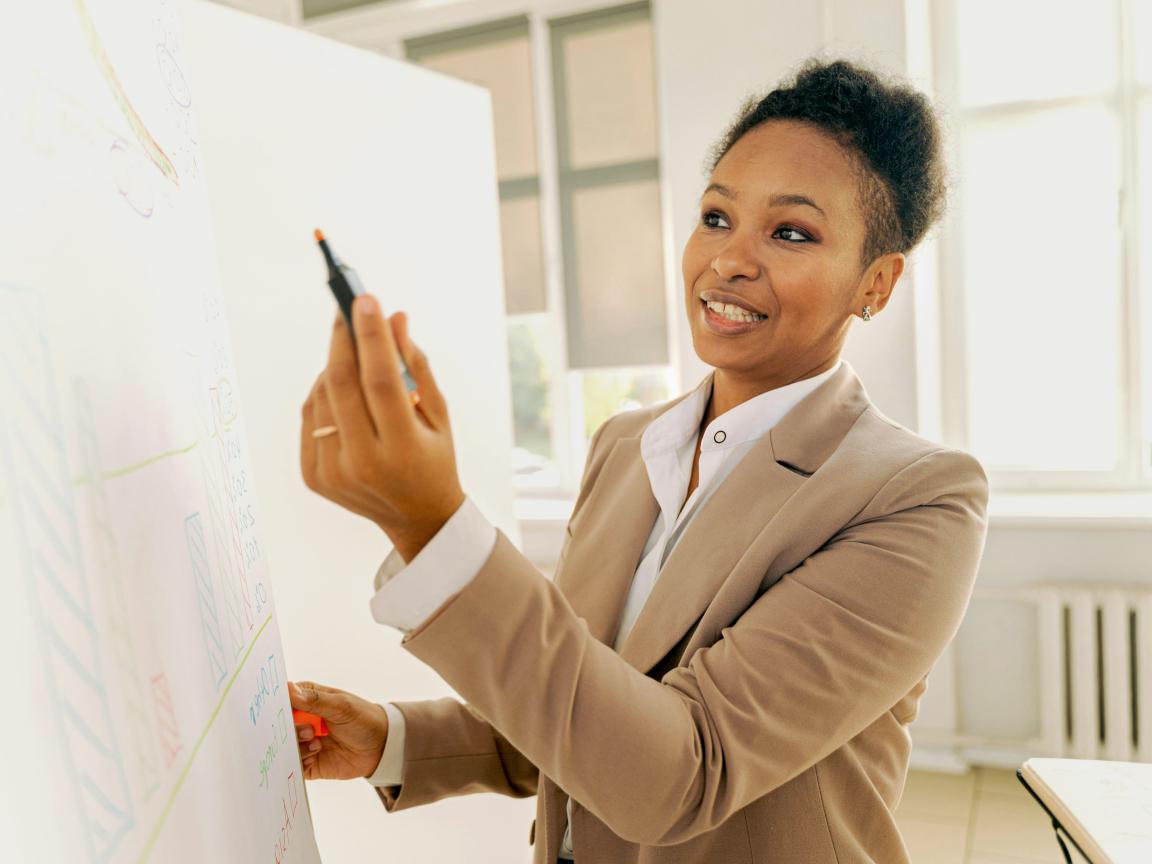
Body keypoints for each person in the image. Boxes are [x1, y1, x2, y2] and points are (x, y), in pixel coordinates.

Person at [289, 57, 989, 863]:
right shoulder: (626, 446)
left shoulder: (918, 499)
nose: (729, 260)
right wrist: (391, 737)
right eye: (717, 216)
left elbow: (678, 774)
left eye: (791, 232)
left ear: (876, 283)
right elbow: (574, 707)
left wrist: (432, 527)